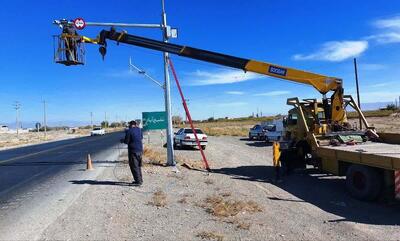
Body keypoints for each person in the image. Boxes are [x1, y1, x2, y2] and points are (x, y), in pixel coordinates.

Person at [123, 120, 144, 185]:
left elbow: (126, 141)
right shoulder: (139, 130)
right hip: (140, 151)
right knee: (138, 166)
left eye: (129, 125)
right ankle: (140, 180)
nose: (128, 126)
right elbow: (141, 137)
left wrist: (122, 140)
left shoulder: (129, 131)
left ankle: (138, 182)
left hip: (133, 151)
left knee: (134, 166)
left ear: (131, 125)